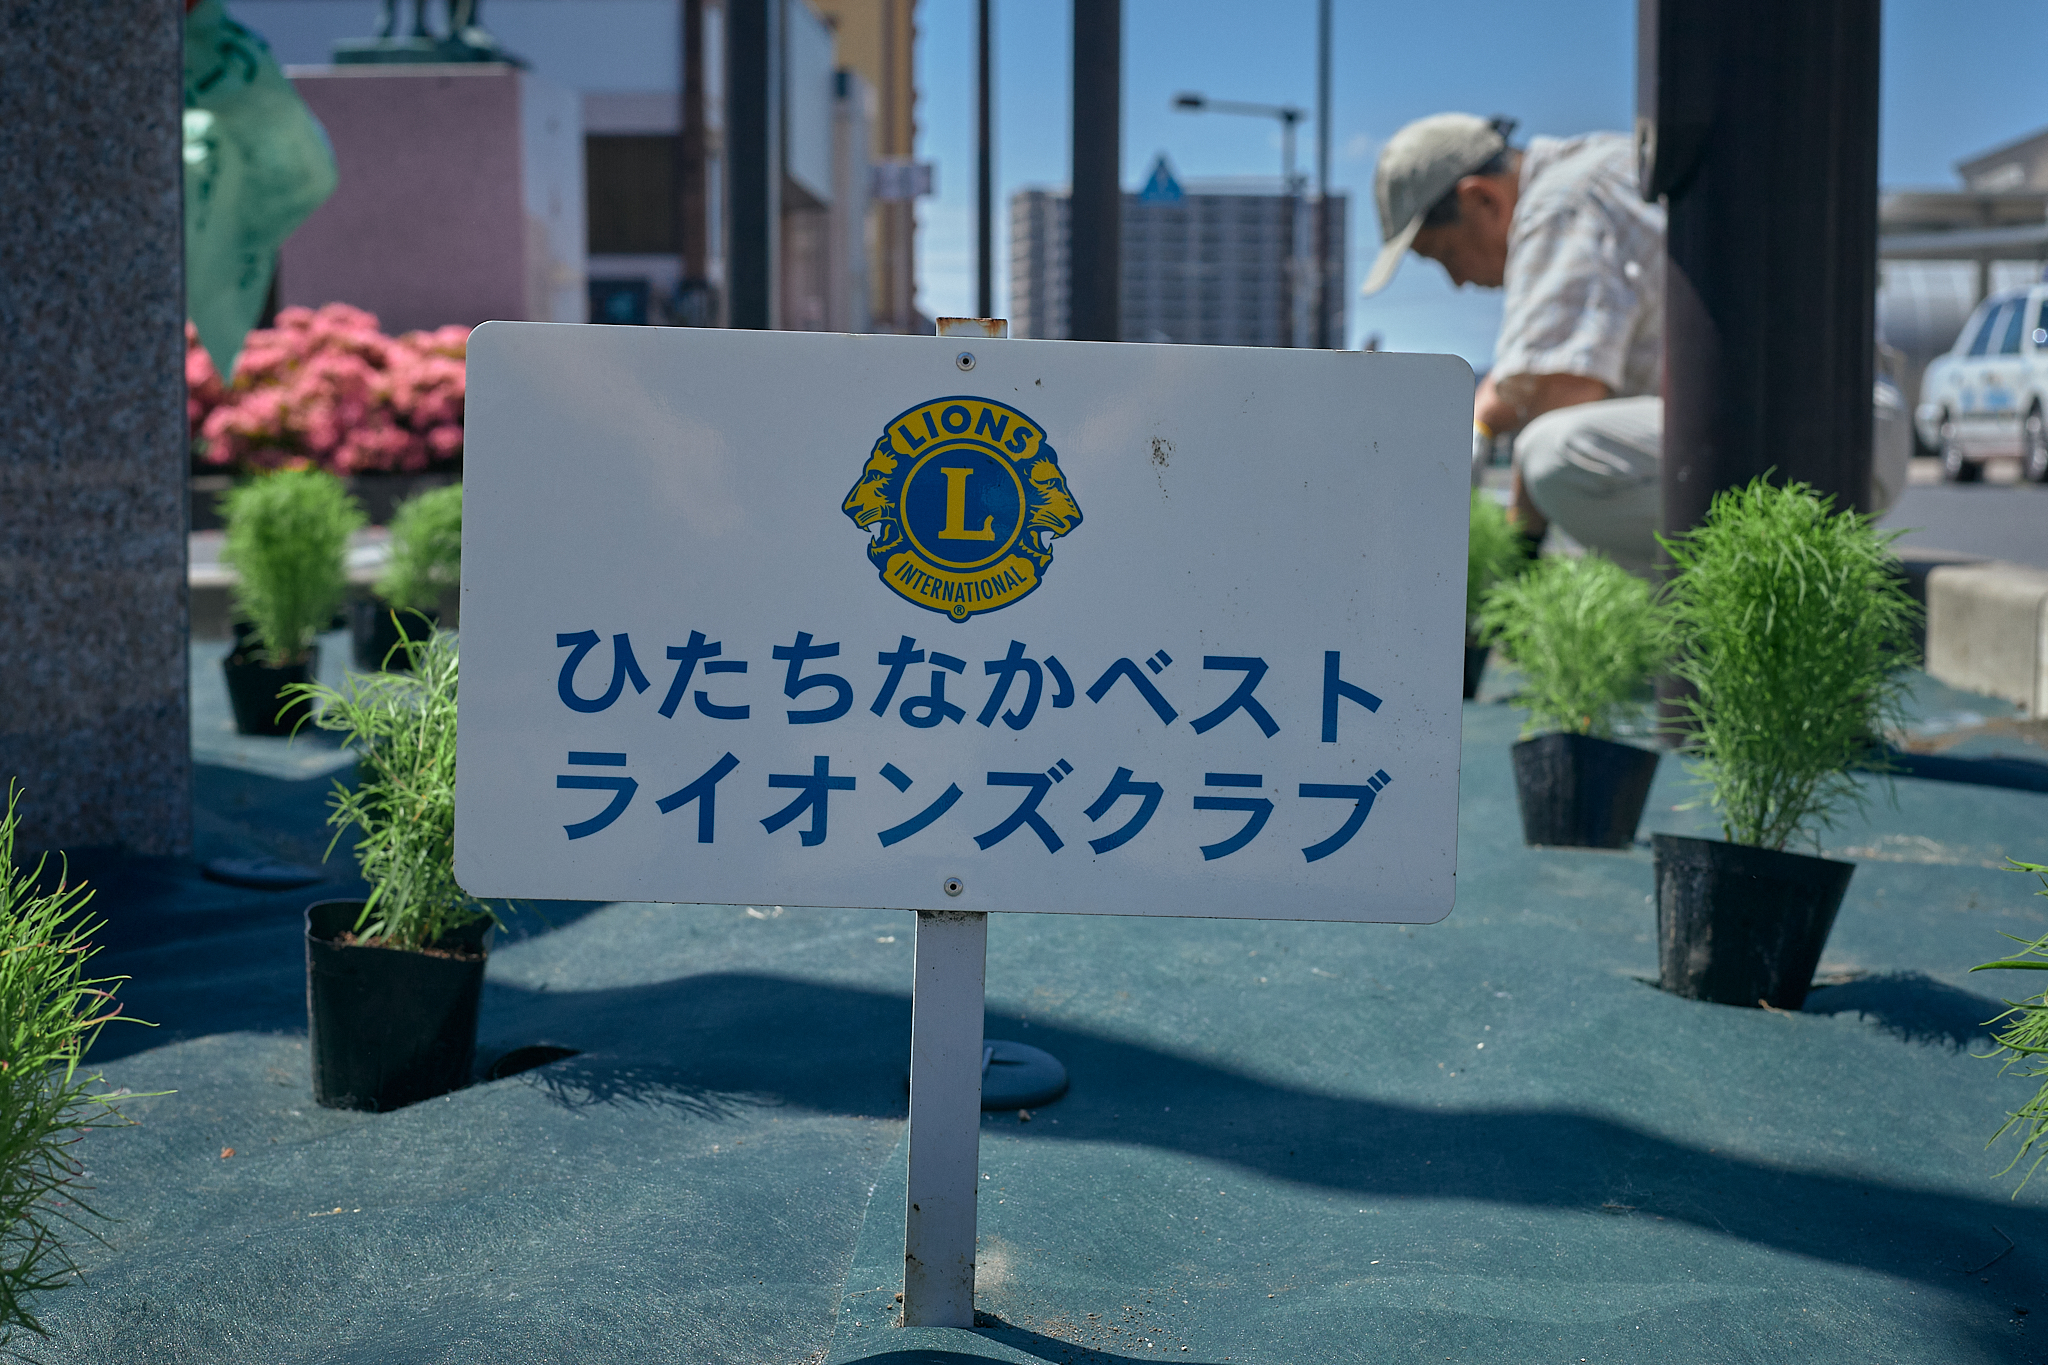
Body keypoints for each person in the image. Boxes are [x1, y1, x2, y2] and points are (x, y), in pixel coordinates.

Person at [1363, 113, 1905, 577]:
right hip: (1835, 429)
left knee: (1557, 455)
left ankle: (1698, 633)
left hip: (1818, 438)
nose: (1457, 281)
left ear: (1481, 199)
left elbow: (1562, 388)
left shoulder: (1561, 204)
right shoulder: (1594, 171)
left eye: (1445, 255)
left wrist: (1512, 565)